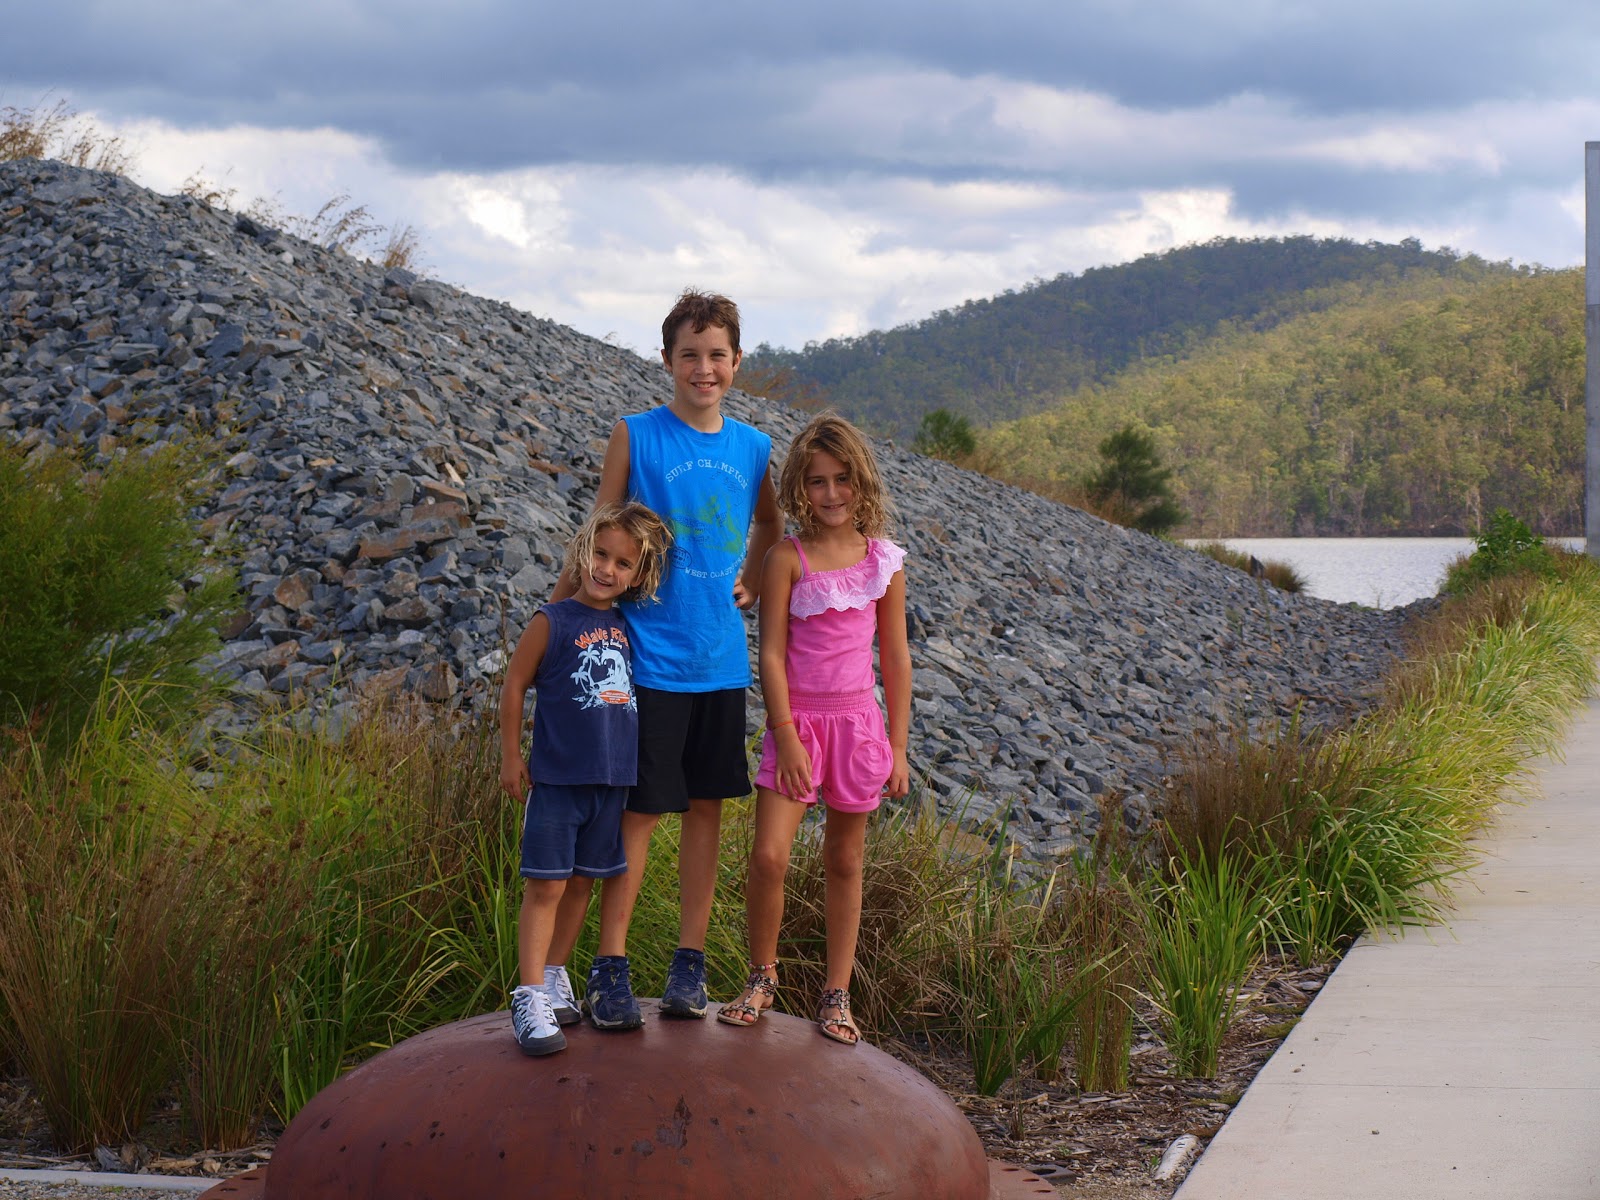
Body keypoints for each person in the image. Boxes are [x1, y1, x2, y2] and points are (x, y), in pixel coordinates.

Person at [544, 290, 784, 1030]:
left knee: (707, 810)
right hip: (646, 658)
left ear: (737, 363)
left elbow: (772, 523)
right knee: (640, 813)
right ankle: (608, 966)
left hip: (720, 661)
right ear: (667, 360)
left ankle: (690, 963)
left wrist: (753, 569)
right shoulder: (638, 435)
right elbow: (596, 535)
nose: (703, 368)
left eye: (717, 356)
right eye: (690, 354)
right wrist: (556, 621)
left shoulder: (751, 447)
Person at [718, 414, 911, 1046]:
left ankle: (836, 994)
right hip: (796, 723)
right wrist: (787, 734)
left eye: (843, 480)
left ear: (861, 482)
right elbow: (769, 654)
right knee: (769, 855)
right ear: (801, 487)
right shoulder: (785, 559)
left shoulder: (883, 560)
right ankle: (762, 976)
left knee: (845, 859)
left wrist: (899, 748)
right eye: (819, 482)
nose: (832, 494)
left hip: (859, 726)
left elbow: (896, 657)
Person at [498, 501, 671, 1055]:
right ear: (582, 552)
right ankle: (527, 996)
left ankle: (553, 974)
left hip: (611, 783)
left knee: (581, 884)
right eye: (600, 554)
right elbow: (514, 684)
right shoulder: (552, 621)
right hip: (557, 780)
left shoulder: (627, 627)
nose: (606, 569)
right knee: (546, 884)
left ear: (638, 576)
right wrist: (509, 754)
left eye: (622, 564)